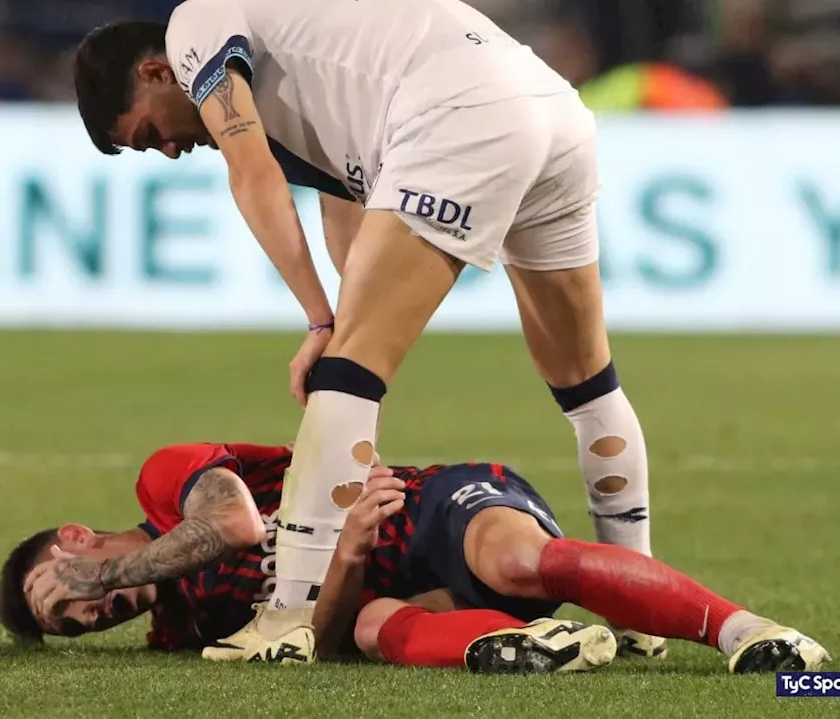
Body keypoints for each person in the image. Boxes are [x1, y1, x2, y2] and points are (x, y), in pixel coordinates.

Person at [72, 0, 657, 661]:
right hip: (549, 106)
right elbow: (348, 209)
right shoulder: (311, 76)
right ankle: (636, 609)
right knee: (587, 386)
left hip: (459, 109)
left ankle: (286, 620)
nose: (171, 151)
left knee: (345, 377)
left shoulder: (192, 29)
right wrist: (343, 319)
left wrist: (326, 325)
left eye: (150, 134)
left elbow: (252, 171)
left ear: (154, 71)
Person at [0, 442, 828, 674]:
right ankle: (528, 648)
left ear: (77, 538)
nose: (90, 610)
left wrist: (366, 529)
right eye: (77, 626)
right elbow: (317, 638)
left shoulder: (164, 483)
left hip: (427, 506)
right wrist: (346, 550)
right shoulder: (188, 626)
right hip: (393, 581)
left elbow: (238, 523)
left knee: (519, 566)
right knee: (363, 628)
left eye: (66, 593)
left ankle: (746, 633)